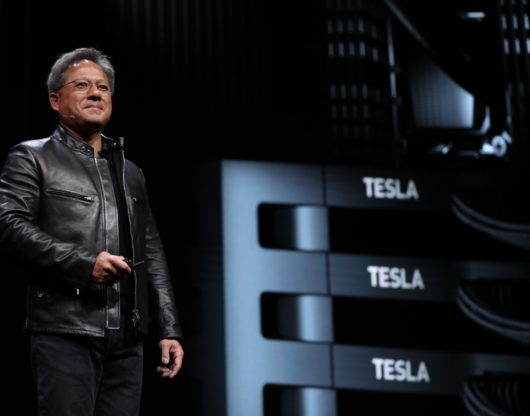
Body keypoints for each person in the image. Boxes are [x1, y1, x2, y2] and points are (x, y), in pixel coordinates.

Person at [0, 47, 184, 415]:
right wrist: (85, 264)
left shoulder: (131, 172)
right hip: (65, 327)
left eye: (102, 87)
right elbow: (9, 226)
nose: (96, 93)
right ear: (55, 100)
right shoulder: (32, 157)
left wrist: (168, 328)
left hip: (128, 337)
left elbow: (151, 252)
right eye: (82, 85)